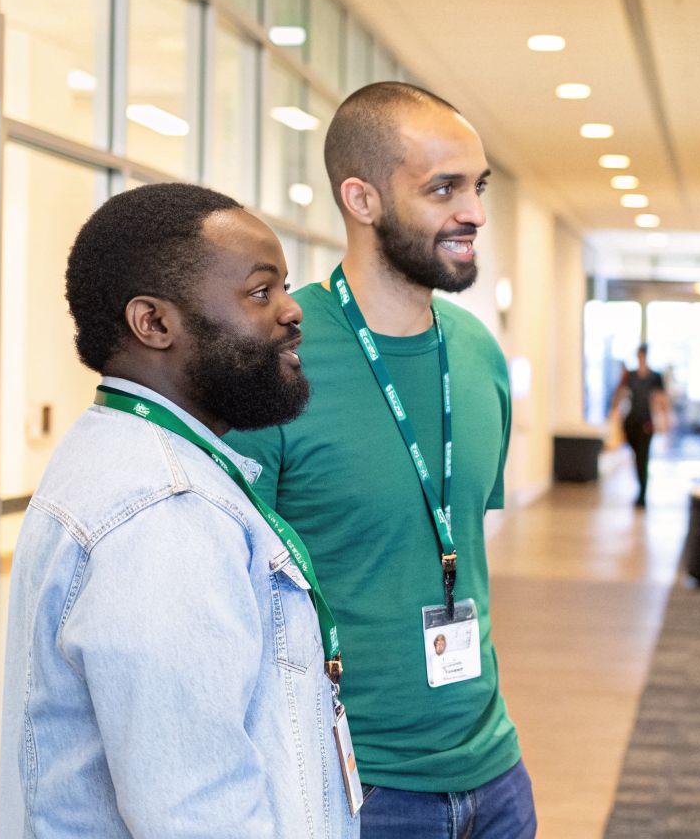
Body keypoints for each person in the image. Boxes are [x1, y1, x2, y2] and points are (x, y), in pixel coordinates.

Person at [0, 183, 359, 838]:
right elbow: (199, 812)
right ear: (154, 323)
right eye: (260, 291)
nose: (291, 311)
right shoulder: (166, 513)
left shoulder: (126, 453)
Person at [227, 83, 533, 838]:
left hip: (495, 771)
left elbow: (450, 540)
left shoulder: (478, 352)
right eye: (443, 188)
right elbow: (224, 588)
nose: (475, 213)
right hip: (355, 784)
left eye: (478, 186)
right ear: (360, 199)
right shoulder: (278, 358)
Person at [608, 343, 669, 505]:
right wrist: (613, 412)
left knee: (643, 457)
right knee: (636, 457)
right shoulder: (630, 375)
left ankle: (642, 494)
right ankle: (640, 487)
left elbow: (662, 400)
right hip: (631, 421)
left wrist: (665, 421)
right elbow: (619, 394)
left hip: (646, 422)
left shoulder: (655, 377)